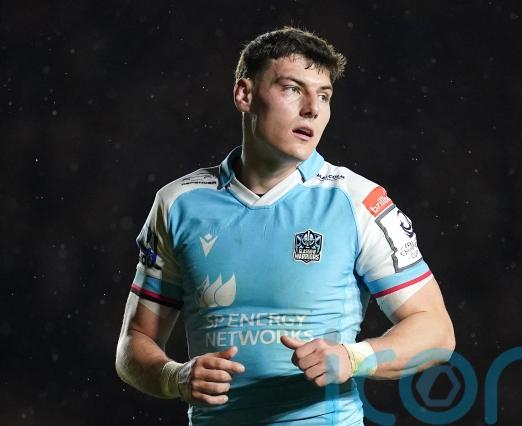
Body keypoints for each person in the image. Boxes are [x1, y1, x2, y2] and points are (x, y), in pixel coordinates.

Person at [115, 27, 455, 425]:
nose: (312, 109)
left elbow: (436, 331)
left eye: (324, 95)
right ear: (244, 94)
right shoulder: (178, 204)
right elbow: (133, 344)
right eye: (293, 89)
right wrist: (174, 376)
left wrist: (353, 357)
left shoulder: (358, 201)